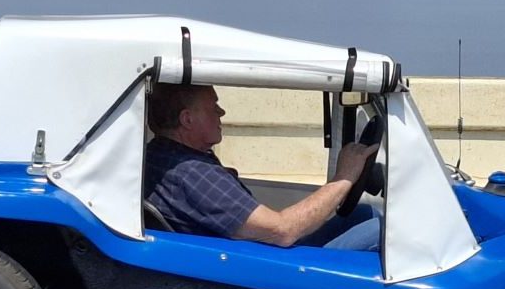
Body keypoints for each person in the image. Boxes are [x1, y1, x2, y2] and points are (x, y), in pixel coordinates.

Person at [145, 83, 381, 250]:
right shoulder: (192, 174)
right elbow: (283, 230)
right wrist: (345, 177)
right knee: (385, 232)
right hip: (268, 274)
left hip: (250, 254)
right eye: (214, 106)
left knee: (365, 214)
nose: (222, 112)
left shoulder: (164, 155)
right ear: (187, 120)